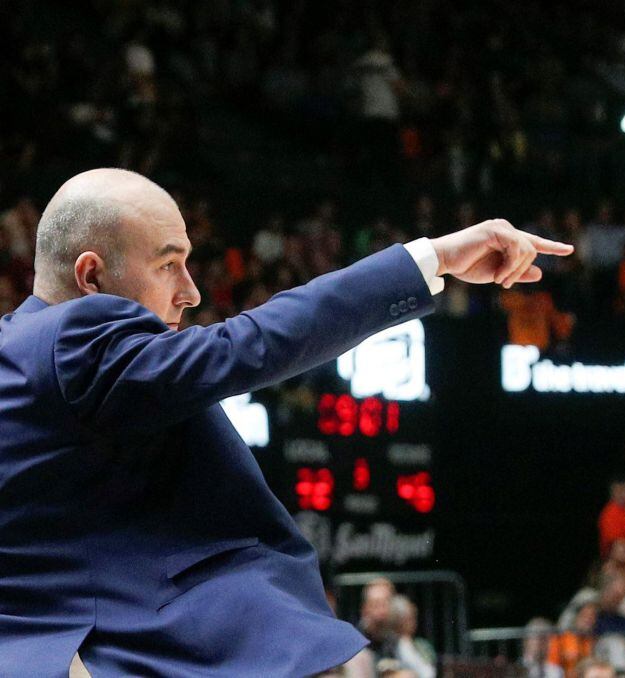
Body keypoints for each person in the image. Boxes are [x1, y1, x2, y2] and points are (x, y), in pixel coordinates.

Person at [0, 168, 573, 676]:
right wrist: (434, 260)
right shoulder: (72, 339)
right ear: (92, 277)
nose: (191, 292)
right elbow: (250, 344)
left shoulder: (19, 355)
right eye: (168, 263)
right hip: (125, 646)